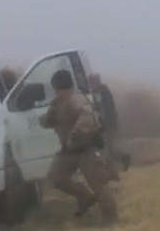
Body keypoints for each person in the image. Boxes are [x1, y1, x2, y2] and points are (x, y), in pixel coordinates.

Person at [38, 69, 118, 226]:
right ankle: (84, 197)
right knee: (56, 177)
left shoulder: (78, 100)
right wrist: (50, 112)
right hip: (67, 152)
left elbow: (89, 116)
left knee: (98, 184)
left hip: (85, 150)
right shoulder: (58, 103)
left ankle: (111, 220)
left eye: (56, 89)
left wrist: (75, 135)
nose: (56, 92)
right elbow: (47, 123)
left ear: (60, 87)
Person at [88, 73, 131, 173]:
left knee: (108, 149)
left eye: (91, 82)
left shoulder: (102, 92)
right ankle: (109, 169)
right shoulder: (102, 91)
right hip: (106, 124)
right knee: (104, 149)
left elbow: (104, 110)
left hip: (107, 125)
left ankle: (124, 158)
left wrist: (102, 126)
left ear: (96, 81)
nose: (90, 85)